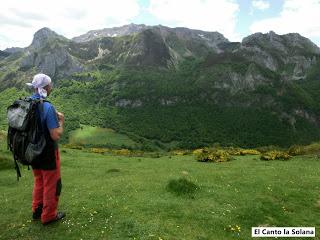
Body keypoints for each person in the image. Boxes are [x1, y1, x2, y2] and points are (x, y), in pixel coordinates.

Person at [26, 73, 66, 225]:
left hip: (32, 151)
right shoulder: (47, 107)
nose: (51, 88)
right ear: (45, 87)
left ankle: (37, 210)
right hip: (47, 152)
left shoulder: (29, 103)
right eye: (50, 85)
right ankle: (48, 215)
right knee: (52, 183)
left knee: (39, 180)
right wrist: (61, 121)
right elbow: (55, 135)